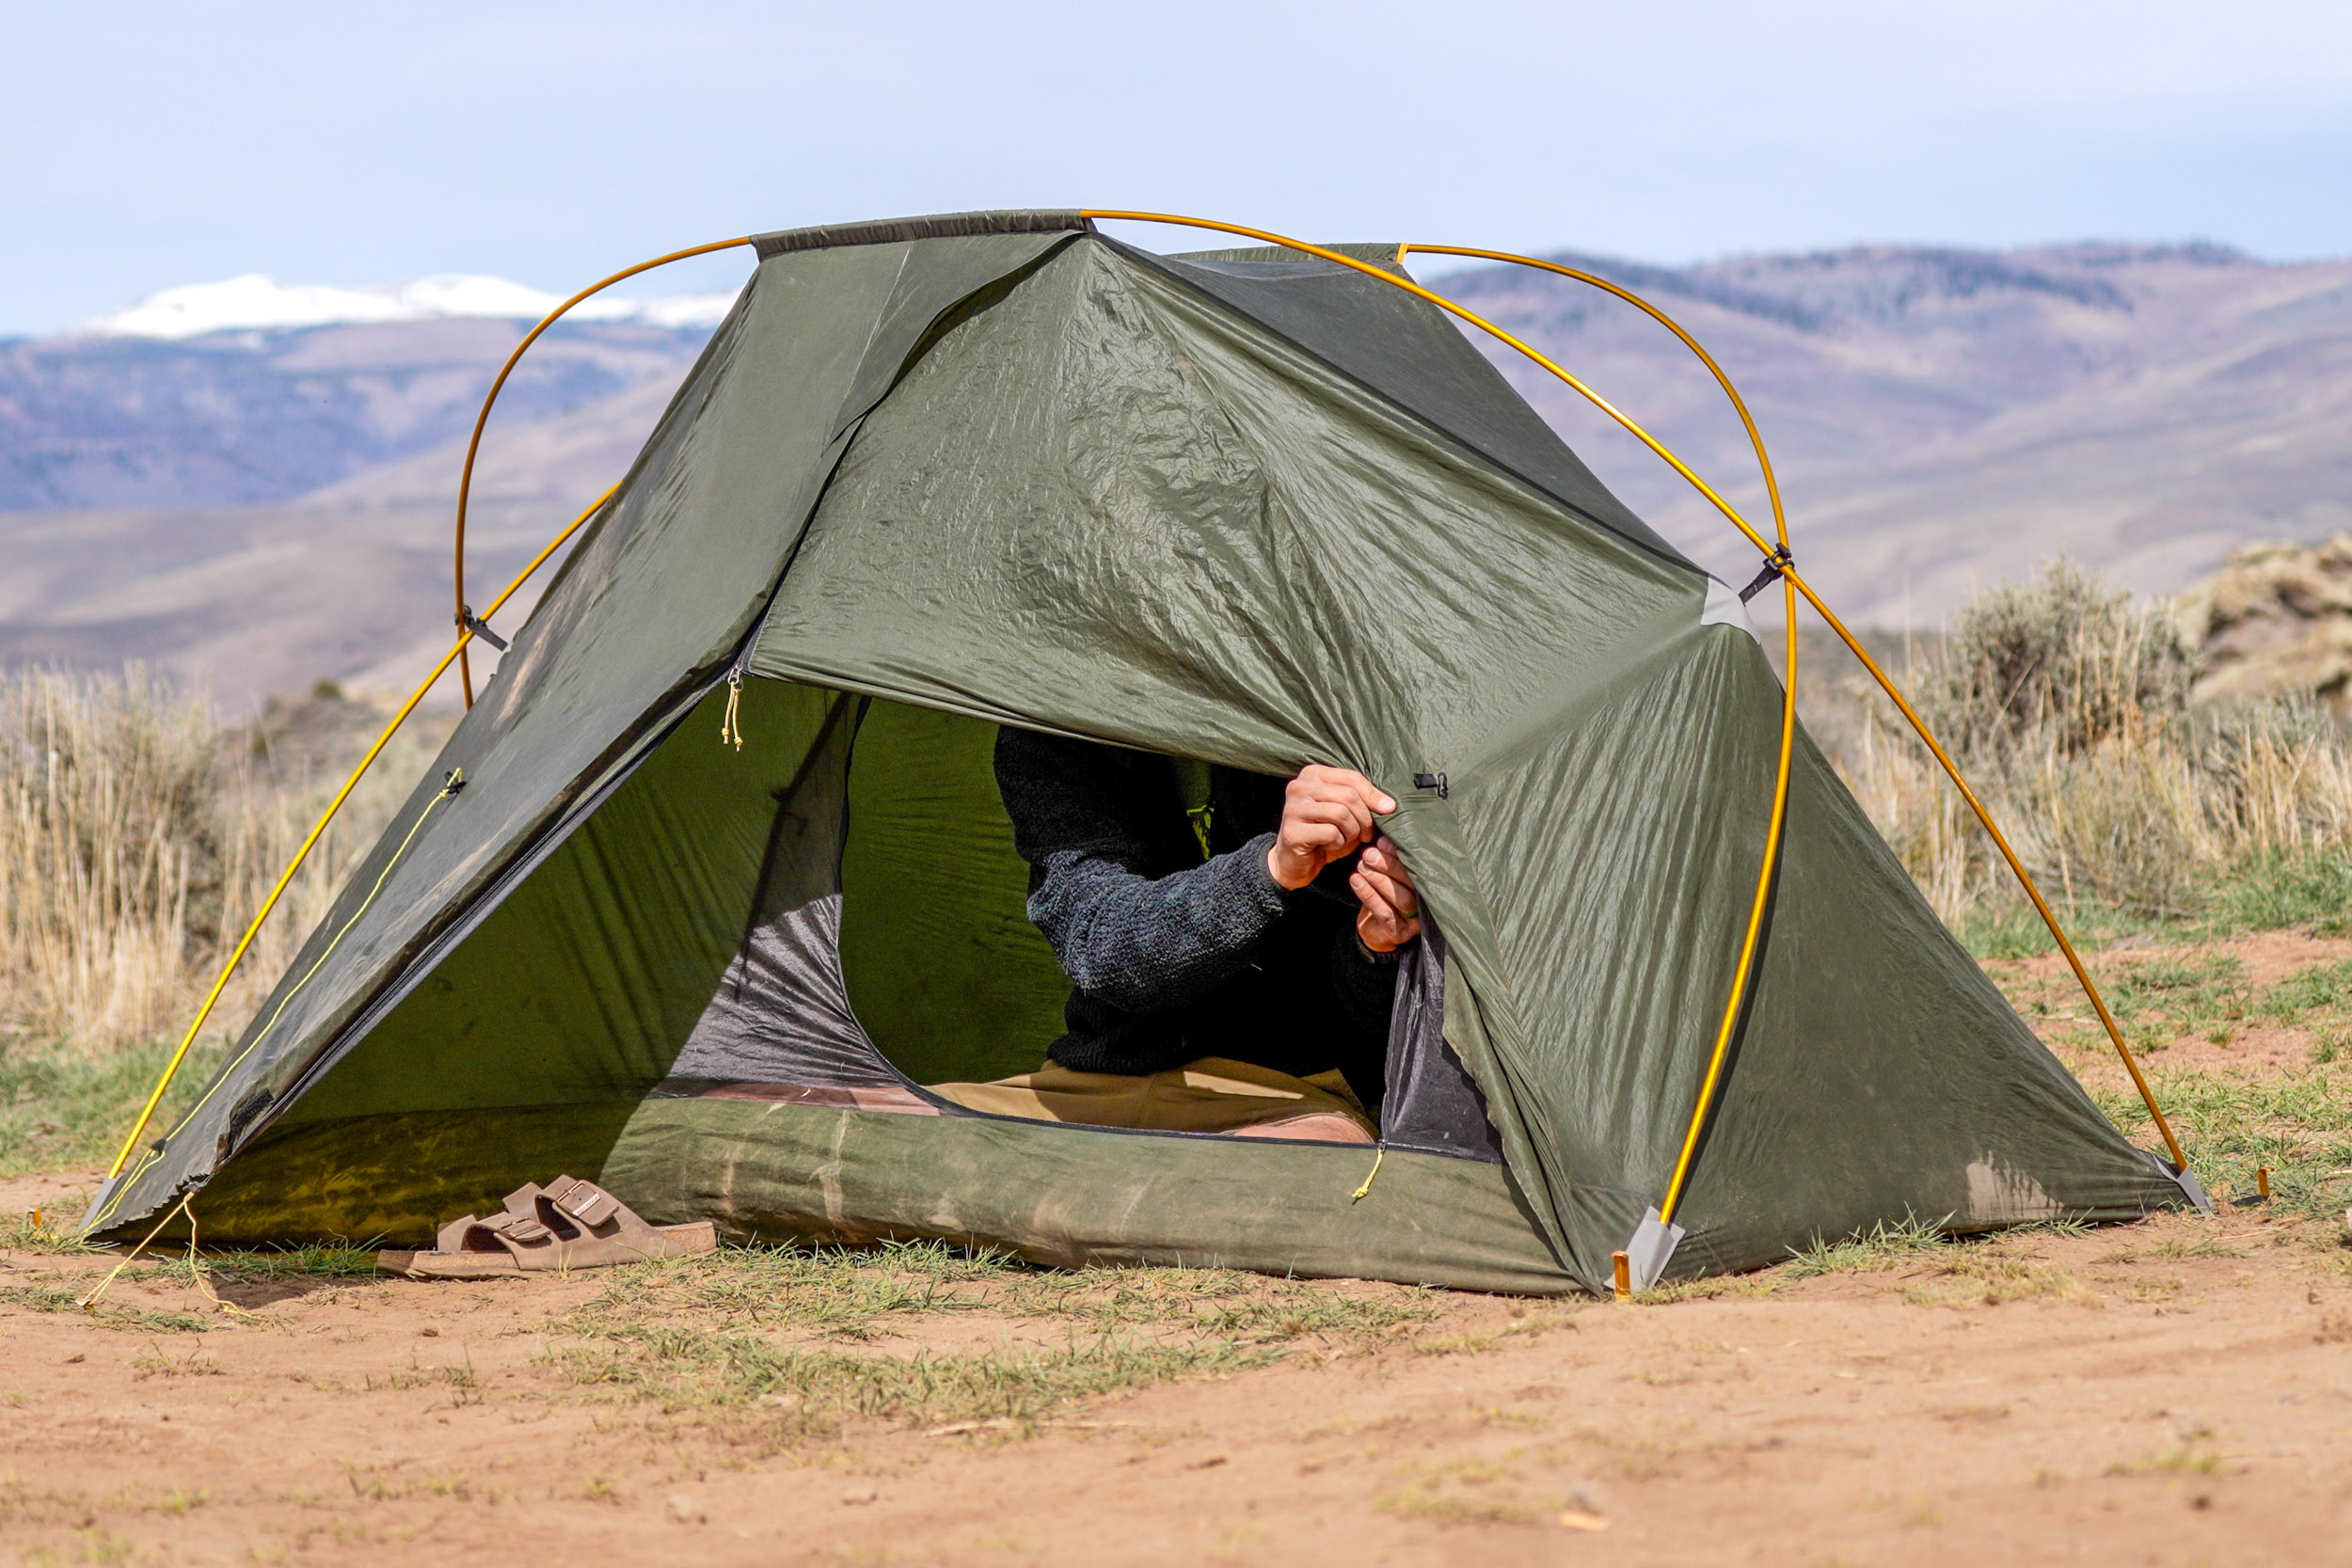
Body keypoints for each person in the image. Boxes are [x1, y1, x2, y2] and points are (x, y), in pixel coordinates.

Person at [993, 730, 1420, 1116]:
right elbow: (1101, 943)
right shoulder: (1050, 726)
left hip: (1301, 1089)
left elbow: (1388, 1014)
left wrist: (1376, 948)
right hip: (1105, 1072)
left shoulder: (1350, 721)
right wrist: (1272, 870)